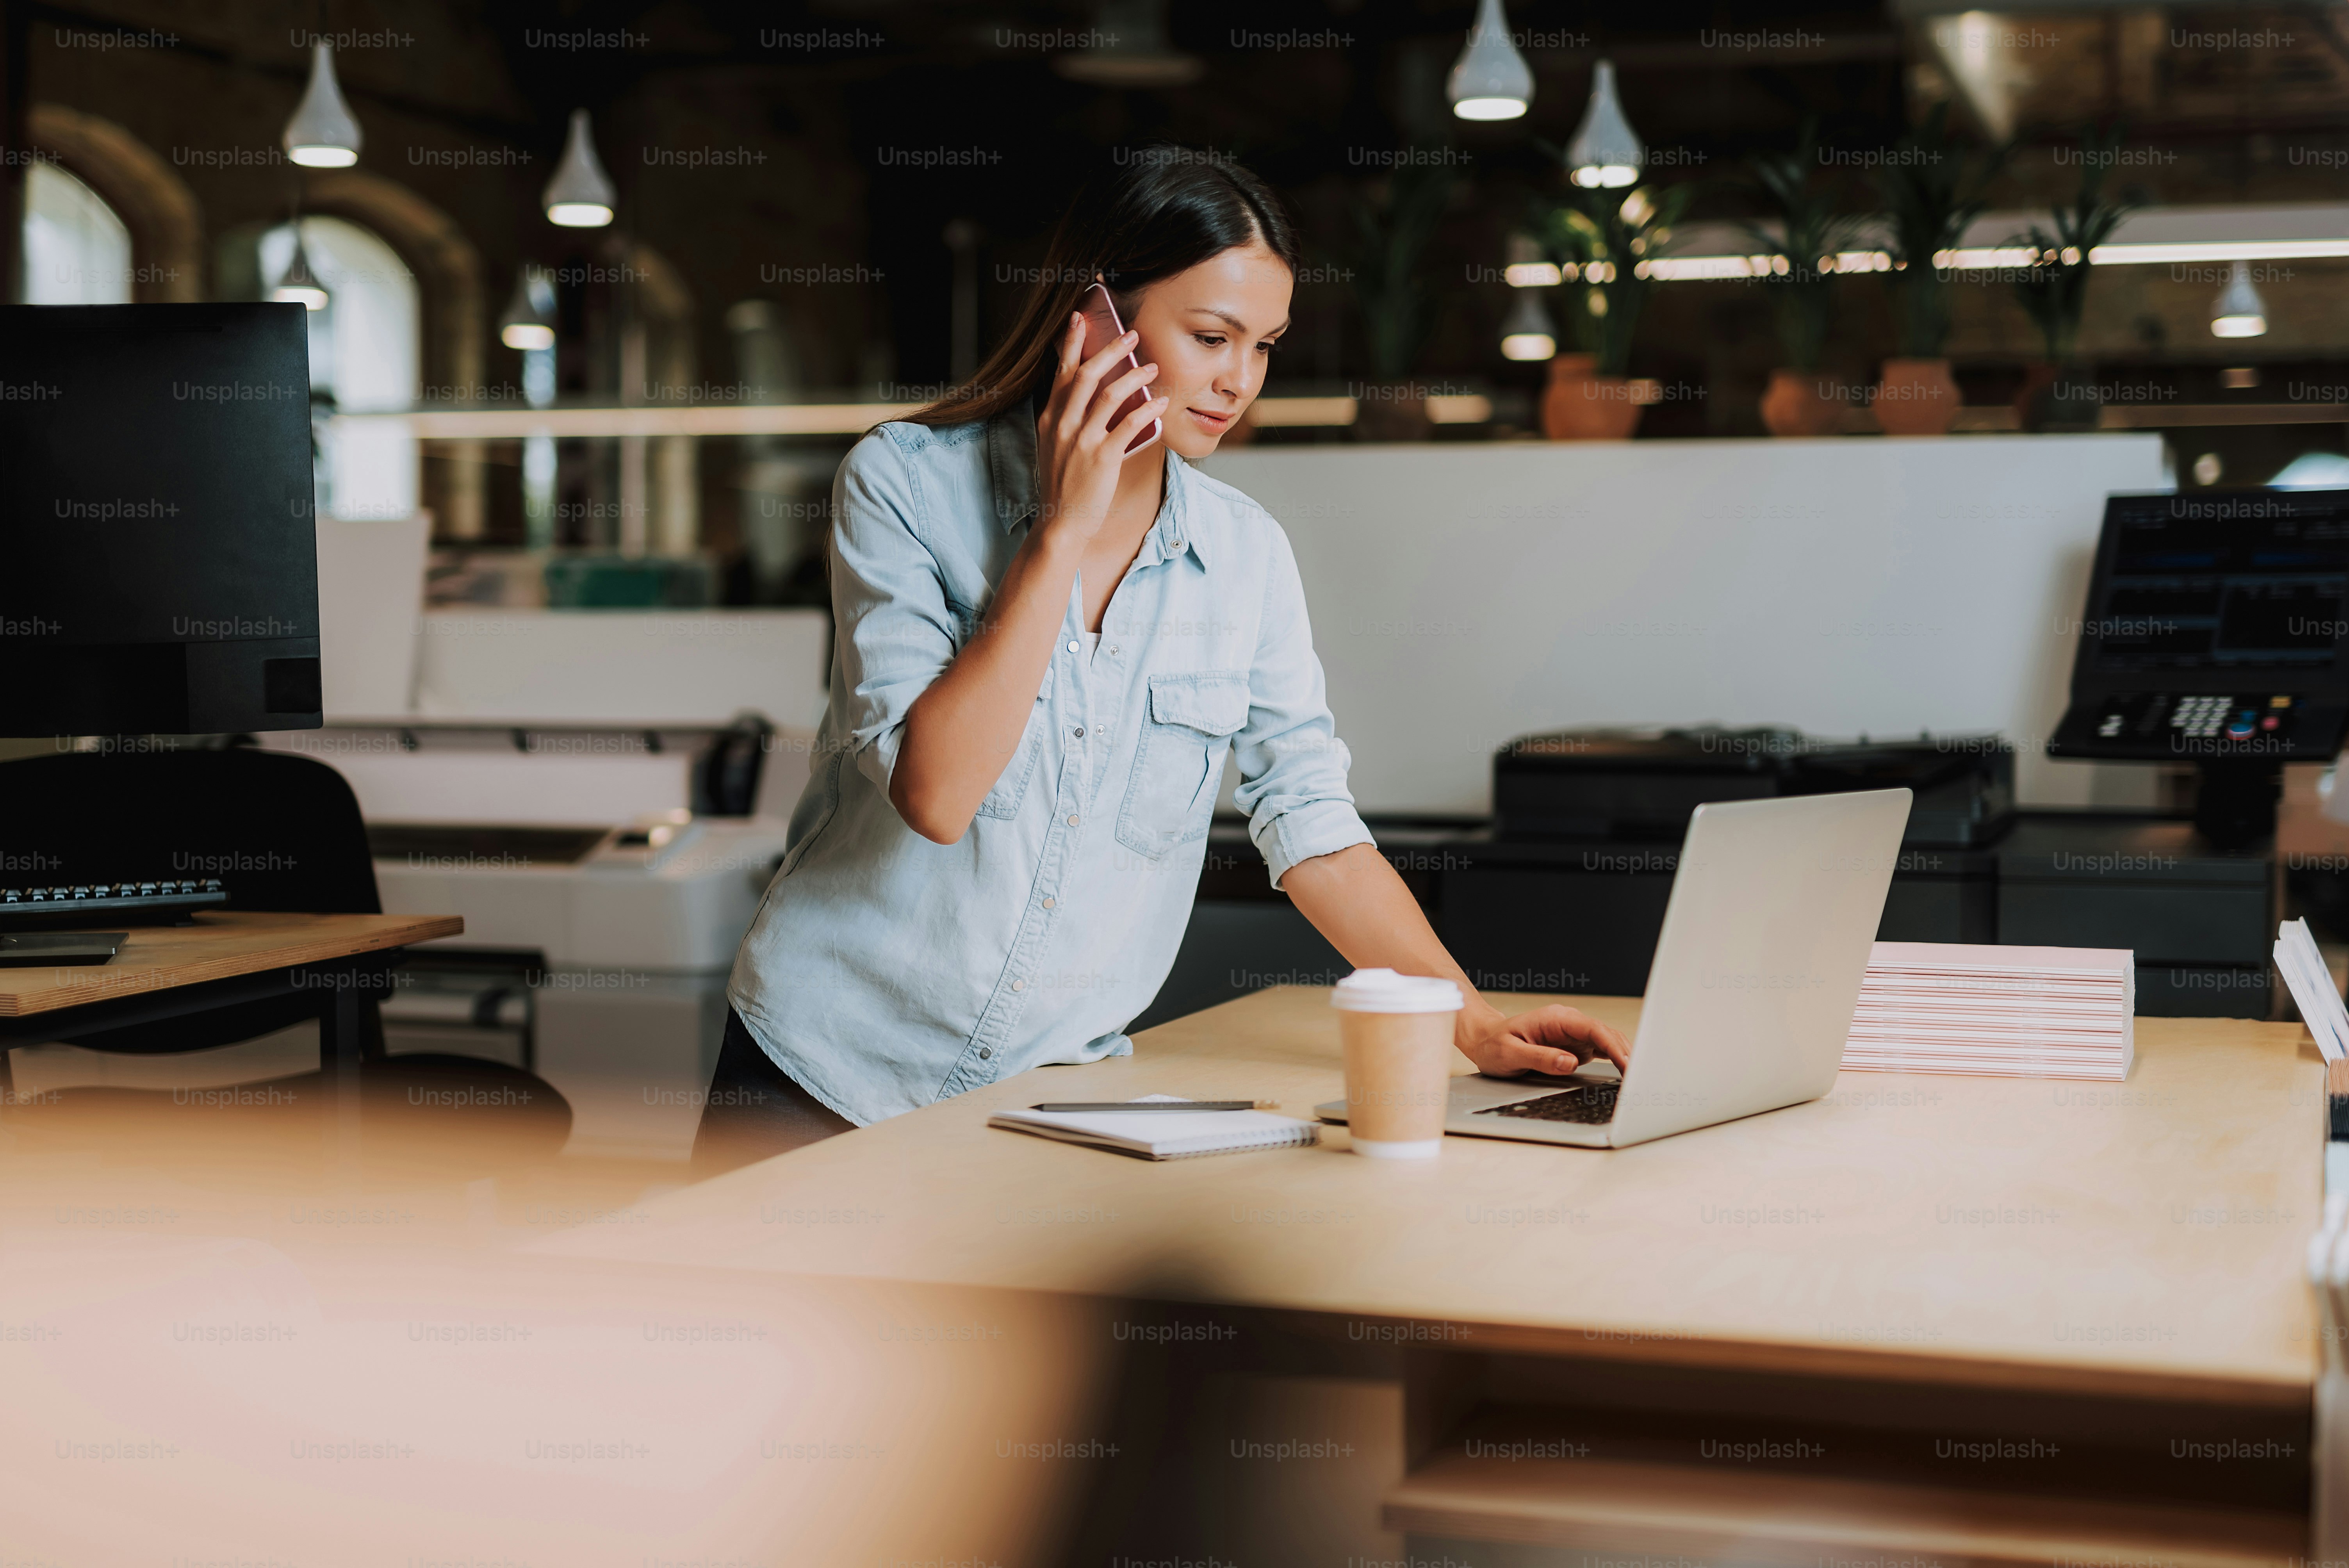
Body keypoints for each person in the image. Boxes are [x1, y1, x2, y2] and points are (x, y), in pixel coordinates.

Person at [692, 149, 1627, 1170]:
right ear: (1092, 321)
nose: (1241, 380)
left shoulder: (1246, 556)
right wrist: (1057, 537)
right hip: (824, 1074)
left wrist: (1471, 1021)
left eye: (1263, 345)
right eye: (1211, 336)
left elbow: (1311, 822)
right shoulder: (904, 485)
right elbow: (938, 794)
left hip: (1044, 1100)